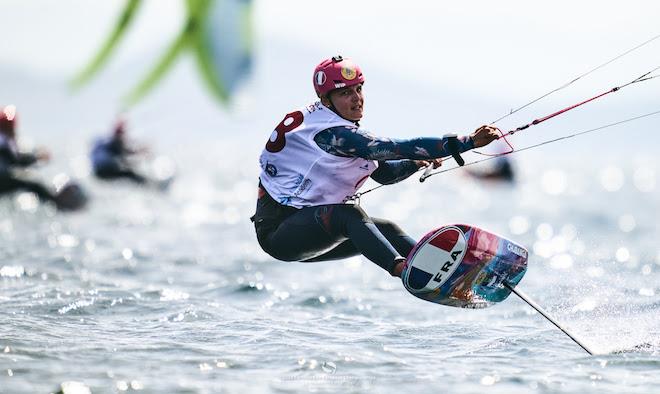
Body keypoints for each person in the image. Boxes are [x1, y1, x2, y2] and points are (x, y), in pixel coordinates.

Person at [251, 56, 500, 277]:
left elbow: (385, 174)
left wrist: (416, 163)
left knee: (387, 230)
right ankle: (405, 272)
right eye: (345, 93)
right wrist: (467, 142)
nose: (357, 99)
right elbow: (399, 146)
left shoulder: (342, 133)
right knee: (350, 215)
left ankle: (447, 274)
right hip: (281, 233)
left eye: (358, 89)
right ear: (326, 100)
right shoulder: (333, 135)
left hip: (309, 225)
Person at [0, 104, 59, 206]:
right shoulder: (2, 139)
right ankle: (56, 205)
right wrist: (36, 157)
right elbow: (15, 161)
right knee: (35, 185)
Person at [90, 118, 150, 185]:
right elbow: (125, 155)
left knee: (128, 172)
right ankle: (149, 184)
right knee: (129, 173)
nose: (123, 136)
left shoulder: (105, 141)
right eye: (122, 133)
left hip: (97, 172)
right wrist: (140, 152)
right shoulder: (113, 142)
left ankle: (146, 183)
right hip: (104, 170)